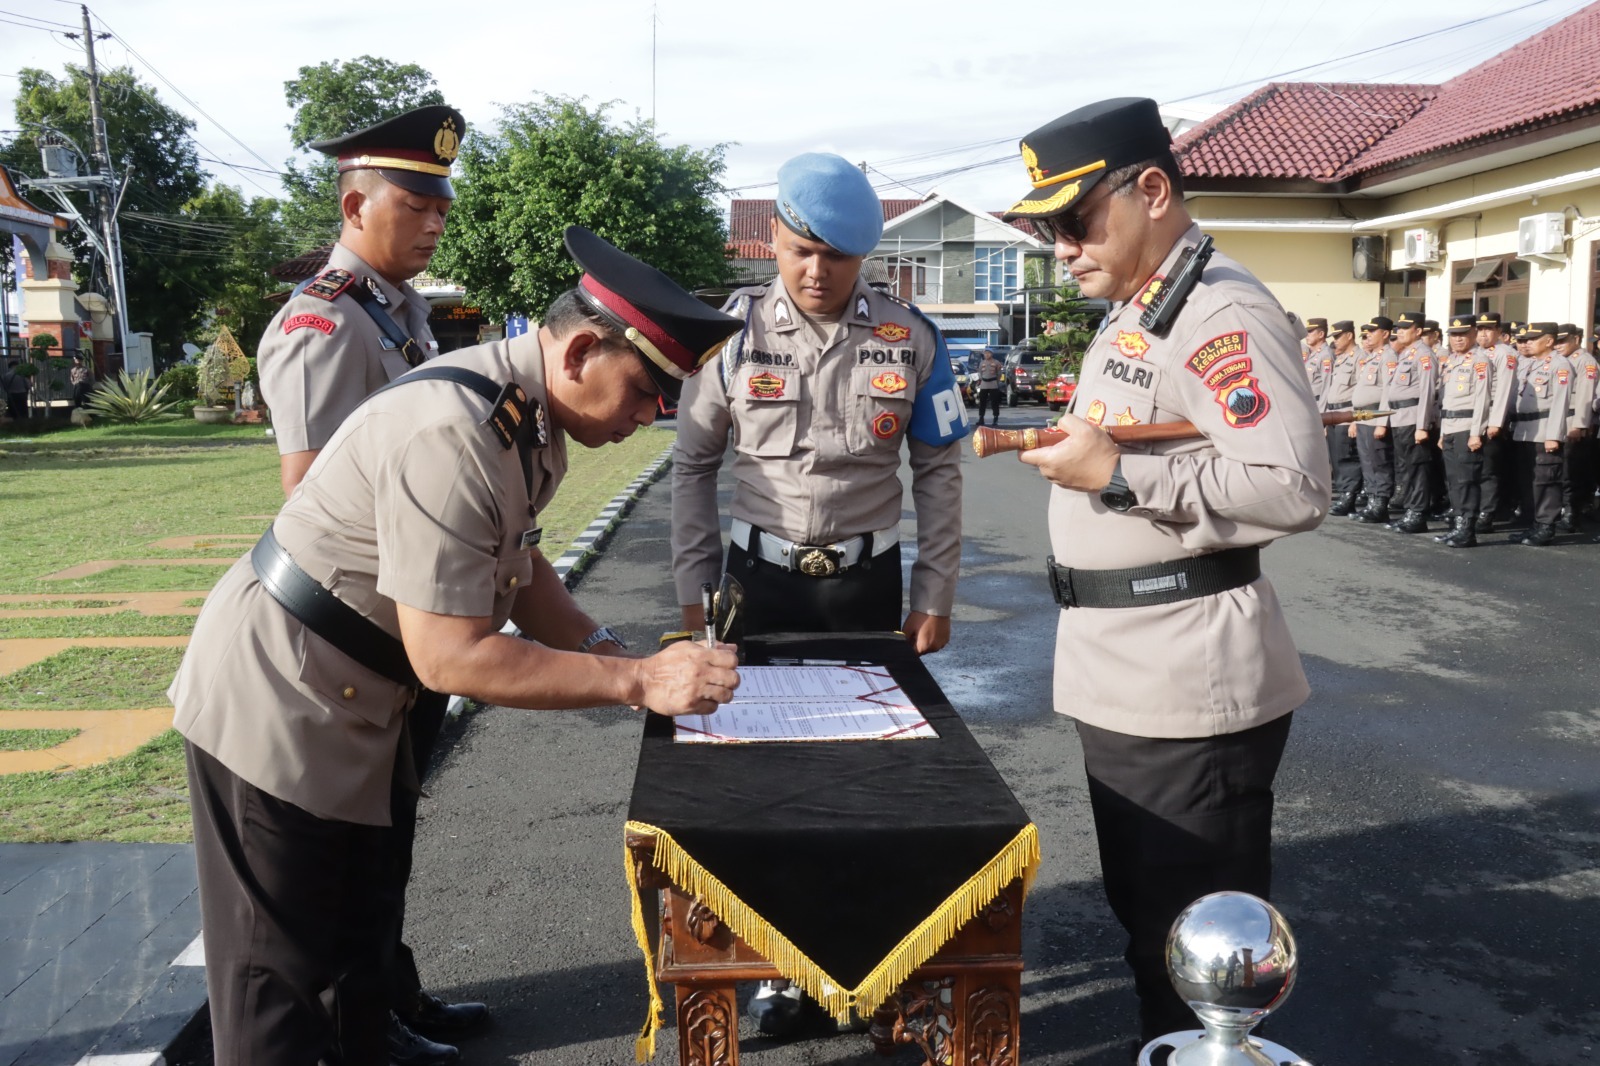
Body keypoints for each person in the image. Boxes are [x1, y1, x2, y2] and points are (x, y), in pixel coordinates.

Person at [169, 227, 743, 1066]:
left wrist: (606, 644)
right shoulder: (457, 427)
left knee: (358, 954)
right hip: (281, 699)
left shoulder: (529, 413)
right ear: (582, 349)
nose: (652, 414)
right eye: (646, 390)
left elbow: (520, 562)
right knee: (280, 990)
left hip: (359, 690)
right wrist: (638, 680)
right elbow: (455, 658)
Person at [999, 97, 1329, 1053]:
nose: (1059, 245)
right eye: (1045, 226)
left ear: (1153, 189)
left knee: (1204, 955)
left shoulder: (1220, 308)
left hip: (1189, 679)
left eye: (1074, 219)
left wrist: (1117, 473)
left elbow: (1294, 485)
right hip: (1128, 668)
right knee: (1154, 936)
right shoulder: (1145, 307)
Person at [670, 151, 969, 1036]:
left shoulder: (909, 337)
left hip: (866, 587)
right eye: (802, 249)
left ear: (865, 257)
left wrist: (937, 589)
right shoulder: (726, 339)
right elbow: (691, 467)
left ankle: (880, 974)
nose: (816, 271)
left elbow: (941, 471)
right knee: (765, 784)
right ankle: (780, 971)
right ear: (773, 240)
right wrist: (695, 593)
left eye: (837, 257)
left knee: (872, 779)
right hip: (757, 587)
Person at [252, 104, 485, 1064]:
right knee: (354, 839)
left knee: (390, 828)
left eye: (440, 204)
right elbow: (313, 498)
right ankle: (363, 1020)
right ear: (355, 202)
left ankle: (391, 989)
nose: (435, 221)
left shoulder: (400, 314)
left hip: (401, 632)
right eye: (415, 202)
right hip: (354, 633)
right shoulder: (321, 324)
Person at [1506, 322, 1573, 546]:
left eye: (1534, 339)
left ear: (1549, 341)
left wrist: (1553, 436)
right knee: (1530, 480)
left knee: (1546, 481)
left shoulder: (1559, 365)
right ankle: (1534, 523)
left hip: (1545, 432)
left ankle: (1546, 526)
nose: (1528, 343)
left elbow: (1560, 403)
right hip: (1526, 432)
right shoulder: (1532, 364)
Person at [1432, 316, 1494, 548]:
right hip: (1450, 428)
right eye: (1453, 334)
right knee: (1454, 481)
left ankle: (1467, 529)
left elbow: (1482, 400)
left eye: (1463, 334)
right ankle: (1458, 526)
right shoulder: (1452, 361)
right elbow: (1446, 402)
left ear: (1473, 334)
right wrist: (1442, 433)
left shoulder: (1480, 361)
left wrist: (1477, 432)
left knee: (1467, 480)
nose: (1458, 339)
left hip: (1467, 428)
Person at [1383, 311, 1438, 534]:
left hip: (1413, 418)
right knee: (1406, 467)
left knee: (1418, 468)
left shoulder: (1424, 355)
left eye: (1406, 328)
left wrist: (1422, 425)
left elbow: (1427, 392)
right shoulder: (1406, 354)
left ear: (1418, 331)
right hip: (1400, 418)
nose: (1400, 332)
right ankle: (1411, 510)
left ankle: (1417, 513)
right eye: (1399, 328)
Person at [1473, 312, 1518, 532]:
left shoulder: (1504, 353)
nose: (1483, 333)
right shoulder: (1472, 354)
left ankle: (1487, 513)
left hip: (1491, 416)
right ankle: (1472, 509)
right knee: (1472, 468)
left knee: (1489, 469)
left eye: (1488, 329)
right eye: (1479, 329)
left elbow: (1504, 390)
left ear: (1499, 332)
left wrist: (1496, 422)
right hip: (1471, 417)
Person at [1351, 317, 1396, 523]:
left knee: (1379, 461)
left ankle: (1380, 504)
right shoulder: (1370, 358)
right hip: (1362, 416)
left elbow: (1388, 390)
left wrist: (1382, 421)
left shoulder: (1388, 357)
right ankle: (1371, 501)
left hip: (1375, 415)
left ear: (1385, 334)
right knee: (1367, 461)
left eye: (1373, 331)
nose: (1368, 335)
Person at [1556, 324, 1596, 531]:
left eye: (1563, 341)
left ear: (1576, 340)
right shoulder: (1560, 361)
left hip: (1573, 420)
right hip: (1558, 419)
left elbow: (1586, 395)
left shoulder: (1585, 361)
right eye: (1557, 341)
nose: (1558, 345)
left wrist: (1580, 424)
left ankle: (1571, 513)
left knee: (1570, 470)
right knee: (1559, 467)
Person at [1321, 321, 1364, 515]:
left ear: (1349, 336)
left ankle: (1349, 496)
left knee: (1347, 458)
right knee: (1336, 458)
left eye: (1338, 336)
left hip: (1347, 415)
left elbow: (1362, 390)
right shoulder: (1341, 359)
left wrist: (1355, 419)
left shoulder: (1359, 357)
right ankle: (1344, 492)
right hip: (1334, 415)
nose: (1335, 340)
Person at [1301, 317, 1329, 405]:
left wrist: (1323, 411)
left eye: (1310, 331)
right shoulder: (1312, 354)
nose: (1307, 335)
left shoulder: (1325, 355)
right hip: (1309, 402)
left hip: (1318, 404)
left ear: (1321, 334)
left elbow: (1327, 386)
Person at [976, 348, 1003, 425]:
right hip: (984, 384)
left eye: (988, 353)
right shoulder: (982, 363)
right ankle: (981, 418)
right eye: (985, 353)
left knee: (994, 402)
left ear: (992, 354)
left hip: (993, 384)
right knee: (982, 402)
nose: (986, 355)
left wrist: (996, 381)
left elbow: (999, 374)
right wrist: (981, 379)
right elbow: (980, 372)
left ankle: (995, 418)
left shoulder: (996, 362)